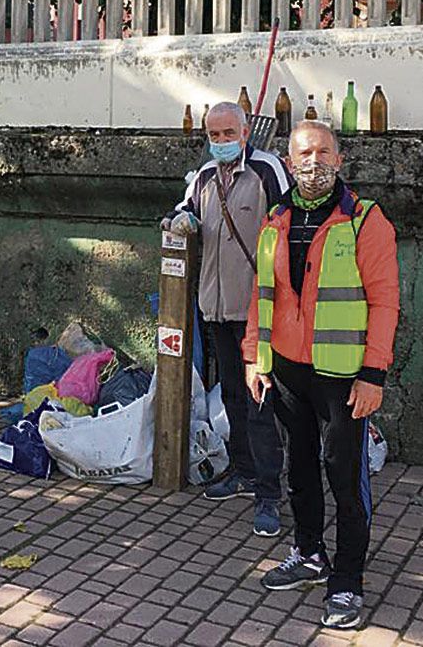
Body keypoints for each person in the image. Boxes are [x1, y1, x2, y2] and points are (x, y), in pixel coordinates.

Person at [245, 121, 399, 630]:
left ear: (340, 158)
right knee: (301, 472)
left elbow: (384, 303)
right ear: (288, 162)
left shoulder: (364, 221)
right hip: (288, 369)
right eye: (305, 153)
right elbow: (261, 296)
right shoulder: (276, 219)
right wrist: (255, 358)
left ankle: (348, 582)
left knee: (344, 476)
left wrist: (373, 374)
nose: (315, 162)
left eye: (324, 152)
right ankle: (309, 554)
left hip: (343, 376)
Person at [163, 101, 289, 537]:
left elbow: (289, 223)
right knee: (233, 395)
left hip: (258, 308)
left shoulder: (267, 171)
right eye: (213, 136)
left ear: (245, 130)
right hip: (215, 307)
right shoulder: (203, 177)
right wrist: (181, 220)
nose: (220, 142)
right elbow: (183, 212)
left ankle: (270, 492)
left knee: (261, 402)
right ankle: (243, 470)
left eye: (227, 133)